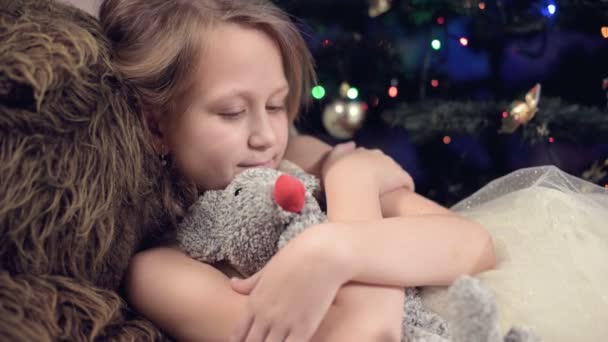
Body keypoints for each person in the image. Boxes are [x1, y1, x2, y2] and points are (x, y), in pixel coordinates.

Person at [99, 0, 496, 341]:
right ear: (156, 126)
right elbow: (368, 335)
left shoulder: (302, 158)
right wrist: (353, 186)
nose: (266, 137)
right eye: (232, 112)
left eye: (275, 106)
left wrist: (339, 246)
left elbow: (474, 244)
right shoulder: (159, 271)